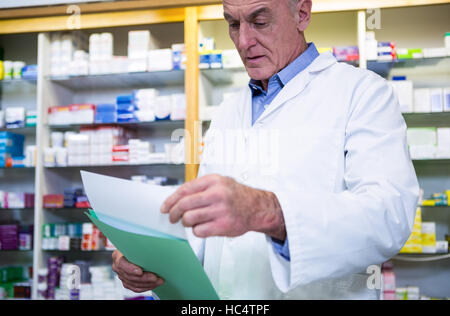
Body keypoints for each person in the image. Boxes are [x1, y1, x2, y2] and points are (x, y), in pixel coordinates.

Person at [112, 0, 419, 299]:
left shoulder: (363, 94)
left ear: (301, 13)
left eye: (259, 22)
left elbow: (388, 217)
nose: (244, 41)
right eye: (233, 24)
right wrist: (151, 258)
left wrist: (269, 212)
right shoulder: (228, 111)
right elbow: (203, 227)